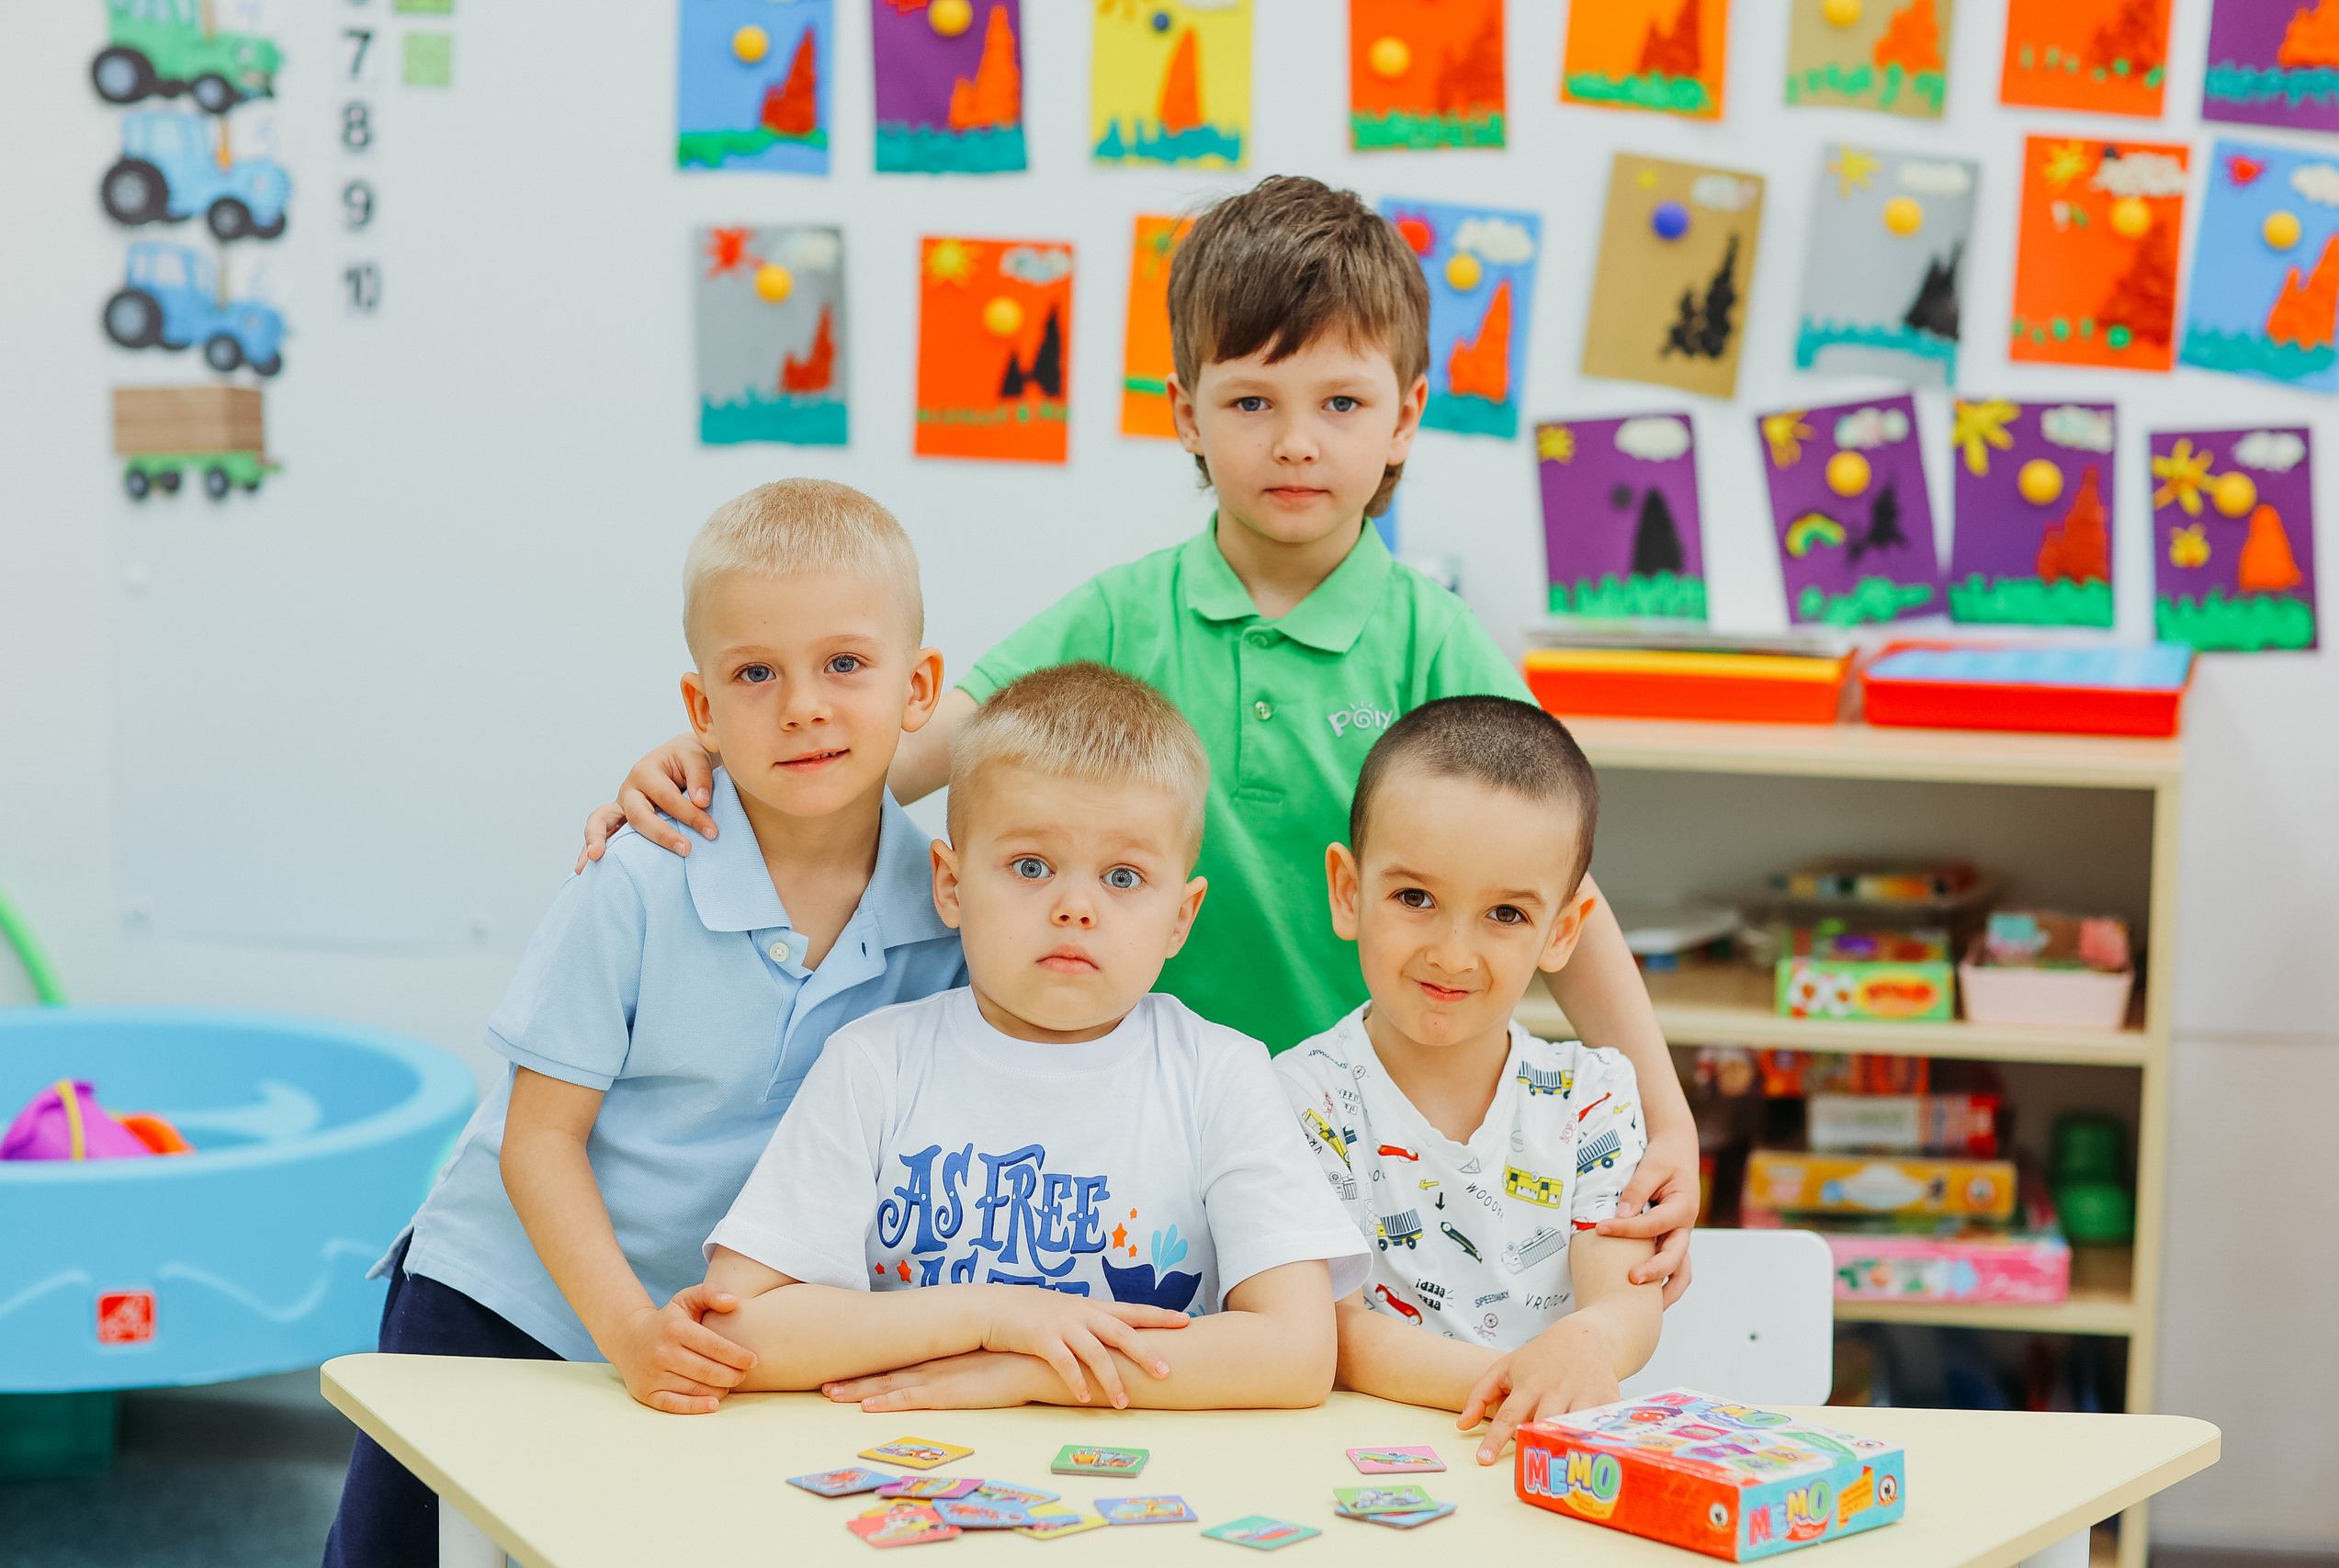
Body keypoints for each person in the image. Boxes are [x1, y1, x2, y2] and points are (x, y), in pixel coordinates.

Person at [577, 174, 1701, 1298]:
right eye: (1253, 402)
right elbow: (899, 755)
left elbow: (1559, 890)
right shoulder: (1119, 614)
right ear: (1185, 412)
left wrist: (1665, 1112)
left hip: (1344, 1137)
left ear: (1407, 413)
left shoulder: (1432, 645)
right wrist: (715, 763)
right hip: (1129, 1128)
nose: (1297, 443)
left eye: (1341, 405)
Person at [322, 480, 966, 1568]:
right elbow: (539, 1139)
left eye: (844, 664)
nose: (803, 705)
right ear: (700, 707)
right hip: (503, 1298)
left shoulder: (944, 917)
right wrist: (623, 1328)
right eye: (755, 673)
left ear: (921, 689)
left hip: (704, 1332)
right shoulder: (637, 876)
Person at [696, 662, 1368, 1412]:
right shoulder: (872, 1063)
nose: (1076, 906)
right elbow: (736, 1329)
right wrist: (992, 1318)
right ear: (950, 884)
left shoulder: (1222, 1075)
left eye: (1122, 878)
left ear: (1181, 915)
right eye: (1030, 865)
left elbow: (1299, 1352)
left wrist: (1024, 1373)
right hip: (899, 1481)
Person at [1276, 697, 1660, 1464]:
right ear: (1348, 891)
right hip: (1362, 1465)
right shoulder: (1302, 1095)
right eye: (1415, 898)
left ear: (1562, 929)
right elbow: (1332, 1330)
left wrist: (1585, 1342)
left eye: (1506, 914)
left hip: (1549, 1464)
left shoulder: (1594, 1093)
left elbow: (1627, 1296)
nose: (1454, 954)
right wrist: (1525, 1382)